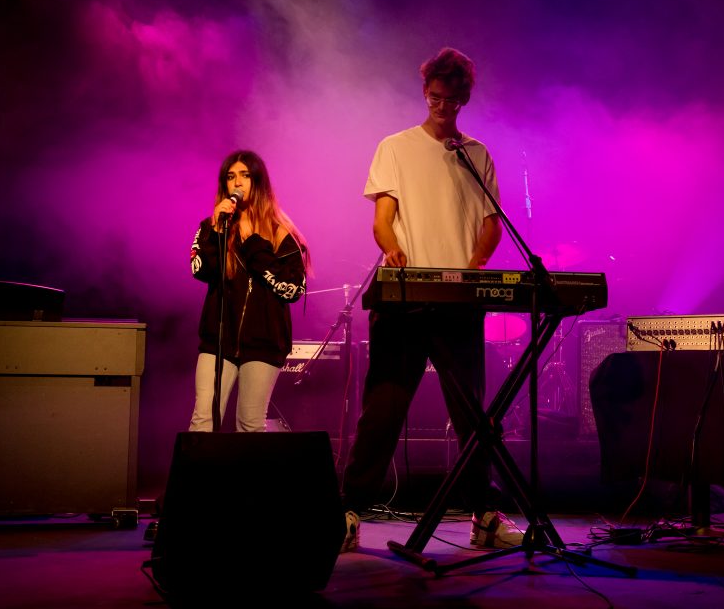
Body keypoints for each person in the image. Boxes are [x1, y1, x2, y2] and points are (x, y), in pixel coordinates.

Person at [339, 47, 521, 552]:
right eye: (435, 98)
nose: (442, 107)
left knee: (473, 415)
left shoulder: (475, 154)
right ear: (425, 93)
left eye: (452, 100)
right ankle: (347, 513)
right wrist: (391, 247)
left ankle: (485, 516)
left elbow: (491, 225)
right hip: (405, 302)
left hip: (458, 302)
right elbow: (382, 217)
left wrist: (474, 267)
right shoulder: (395, 147)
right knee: (384, 410)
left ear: (463, 99)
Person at [188, 149, 309, 432]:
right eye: (231, 177)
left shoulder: (281, 233)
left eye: (245, 176)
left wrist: (253, 242)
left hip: (264, 344)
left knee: (250, 425)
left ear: (258, 182)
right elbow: (199, 270)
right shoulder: (211, 227)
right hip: (218, 341)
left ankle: (250, 479)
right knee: (203, 420)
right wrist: (218, 232)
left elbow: (292, 289)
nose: (237, 183)